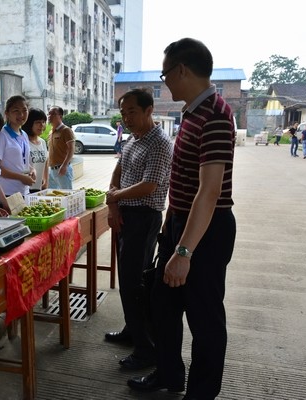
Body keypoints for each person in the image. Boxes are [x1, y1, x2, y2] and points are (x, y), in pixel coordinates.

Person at [128, 38, 236, 400]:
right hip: (180, 224)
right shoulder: (192, 111)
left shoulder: (217, 115)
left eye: (165, 74)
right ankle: (169, 374)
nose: (165, 82)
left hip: (206, 230)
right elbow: (183, 179)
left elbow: (209, 192)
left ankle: (201, 393)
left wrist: (185, 252)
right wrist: (170, 227)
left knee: (204, 319)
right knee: (162, 306)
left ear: (182, 70)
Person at [104, 88, 173, 371]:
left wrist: (116, 197)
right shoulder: (133, 139)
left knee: (136, 284)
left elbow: (149, 185)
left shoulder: (159, 143)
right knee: (128, 281)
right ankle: (132, 330)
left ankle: (146, 350)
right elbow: (119, 170)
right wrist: (113, 203)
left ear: (149, 110)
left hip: (144, 218)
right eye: (123, 113)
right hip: (126, 215)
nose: (127, 118)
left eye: (132, 111)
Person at [0, 95, 35, 197]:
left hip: (24, 191)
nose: (21, 114)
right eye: (16, 110)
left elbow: (21, 162)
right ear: (7, 113)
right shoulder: (2, 135)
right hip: (8, 192)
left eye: (24, 110)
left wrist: (32, 170)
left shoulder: (23, 134)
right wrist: (21, 177)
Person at [47, 106, 75, 189]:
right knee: (53, 197)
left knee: (66, 195)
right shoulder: (51, 132)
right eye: (49, 114)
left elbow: (71, 149)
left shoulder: (66, 130)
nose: (50, 116)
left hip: (62, 169)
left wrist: (64, 165)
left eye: (53, 114)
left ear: (60, 116)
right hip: (51, 170)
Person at [22, 107, 49, 193]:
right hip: (25, 188)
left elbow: (46, 162)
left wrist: (46, 181)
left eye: (43, 122)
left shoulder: (42, 142)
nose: (42, 125)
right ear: (29, 124)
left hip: (39, 187)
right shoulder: (23, 142)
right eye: (38, 122)